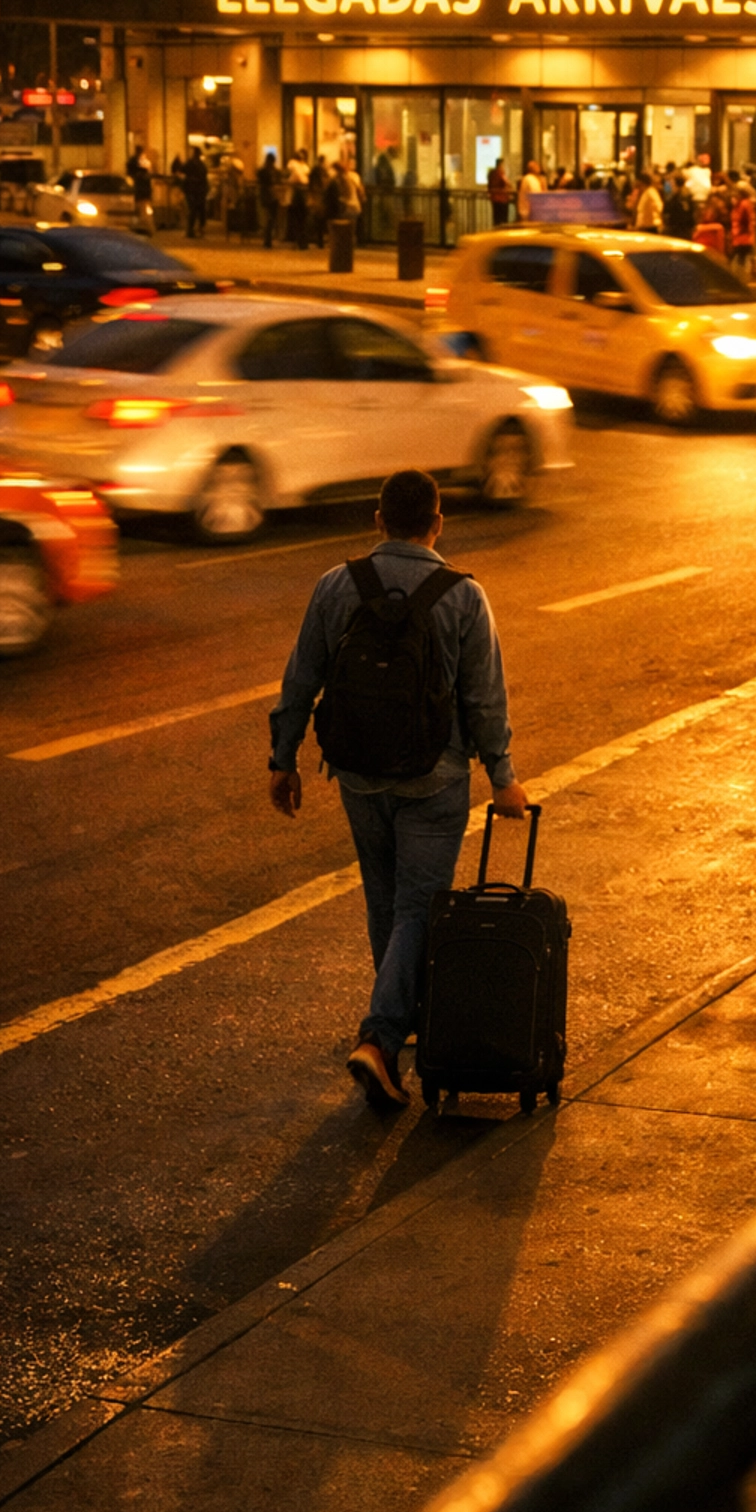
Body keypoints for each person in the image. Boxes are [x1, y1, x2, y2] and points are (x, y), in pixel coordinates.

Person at [269, 468, 530, 1109]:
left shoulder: (336, 585)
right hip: (434, 781)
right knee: (418, 907)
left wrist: (283, 759)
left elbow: (301, 677)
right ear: (438, 524)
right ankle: (382, 1037)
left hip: (357, 774)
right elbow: (483, 698)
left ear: (378, 520)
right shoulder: (463, 596)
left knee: (385, 902)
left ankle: (394, 1024)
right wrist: (502, 776)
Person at [728, 179, 756, 279]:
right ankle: (741, 278)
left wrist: (740, 233)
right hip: (741, 237)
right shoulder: (742, 204)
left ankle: (740, 279)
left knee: (740, 259)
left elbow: (745, 221)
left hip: (742, 237)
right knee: (742, 259)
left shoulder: (744, 205)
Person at [181, 147, 210, 241]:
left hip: (192, 190)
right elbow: (205, 177)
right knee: (200, 210)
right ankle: (200, 229)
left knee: (193, 210)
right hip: (200, 190)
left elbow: (182, 169)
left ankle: (191, 230)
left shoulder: (190, 163)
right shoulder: (202, 165)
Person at [285, 148, 310, 249]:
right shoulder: (300, 166)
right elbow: (301, 177)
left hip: (295, 199)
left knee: (296, 221)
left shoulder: (295, 165)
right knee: (301, 221)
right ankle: (301, 242)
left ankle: (297, 241)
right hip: (300, 198)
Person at [256, 148, 281, 248]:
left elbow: (259, 181)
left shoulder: (262, 171)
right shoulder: (275, 171)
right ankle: (268, 240)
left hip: (265, 197)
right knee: (271, 219)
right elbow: (278, 182)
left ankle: (267, 240)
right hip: (273, 196)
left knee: (268, 219)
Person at [663, 171, 697, 239]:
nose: (670, 184)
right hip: (686, 231)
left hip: (676, 232)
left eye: (671, 182)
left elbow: (669, 213)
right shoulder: (688, 195)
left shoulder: (676, 198)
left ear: (675, 183)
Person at [127, 146, 154, 229]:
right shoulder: (139, 163)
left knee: (139, 211)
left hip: (138, 193)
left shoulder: (134, 161)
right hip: (142, 194)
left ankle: (139, 226)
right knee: (144, 212)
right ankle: (146, 228)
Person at [486, 158, 513, 225]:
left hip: (494, 197)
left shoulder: (491, 173)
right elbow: (507, 183)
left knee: (496, 217)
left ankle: (495, 229)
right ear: (501, 164)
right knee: (503, 218)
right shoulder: (500, 173)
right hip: (502, 198)